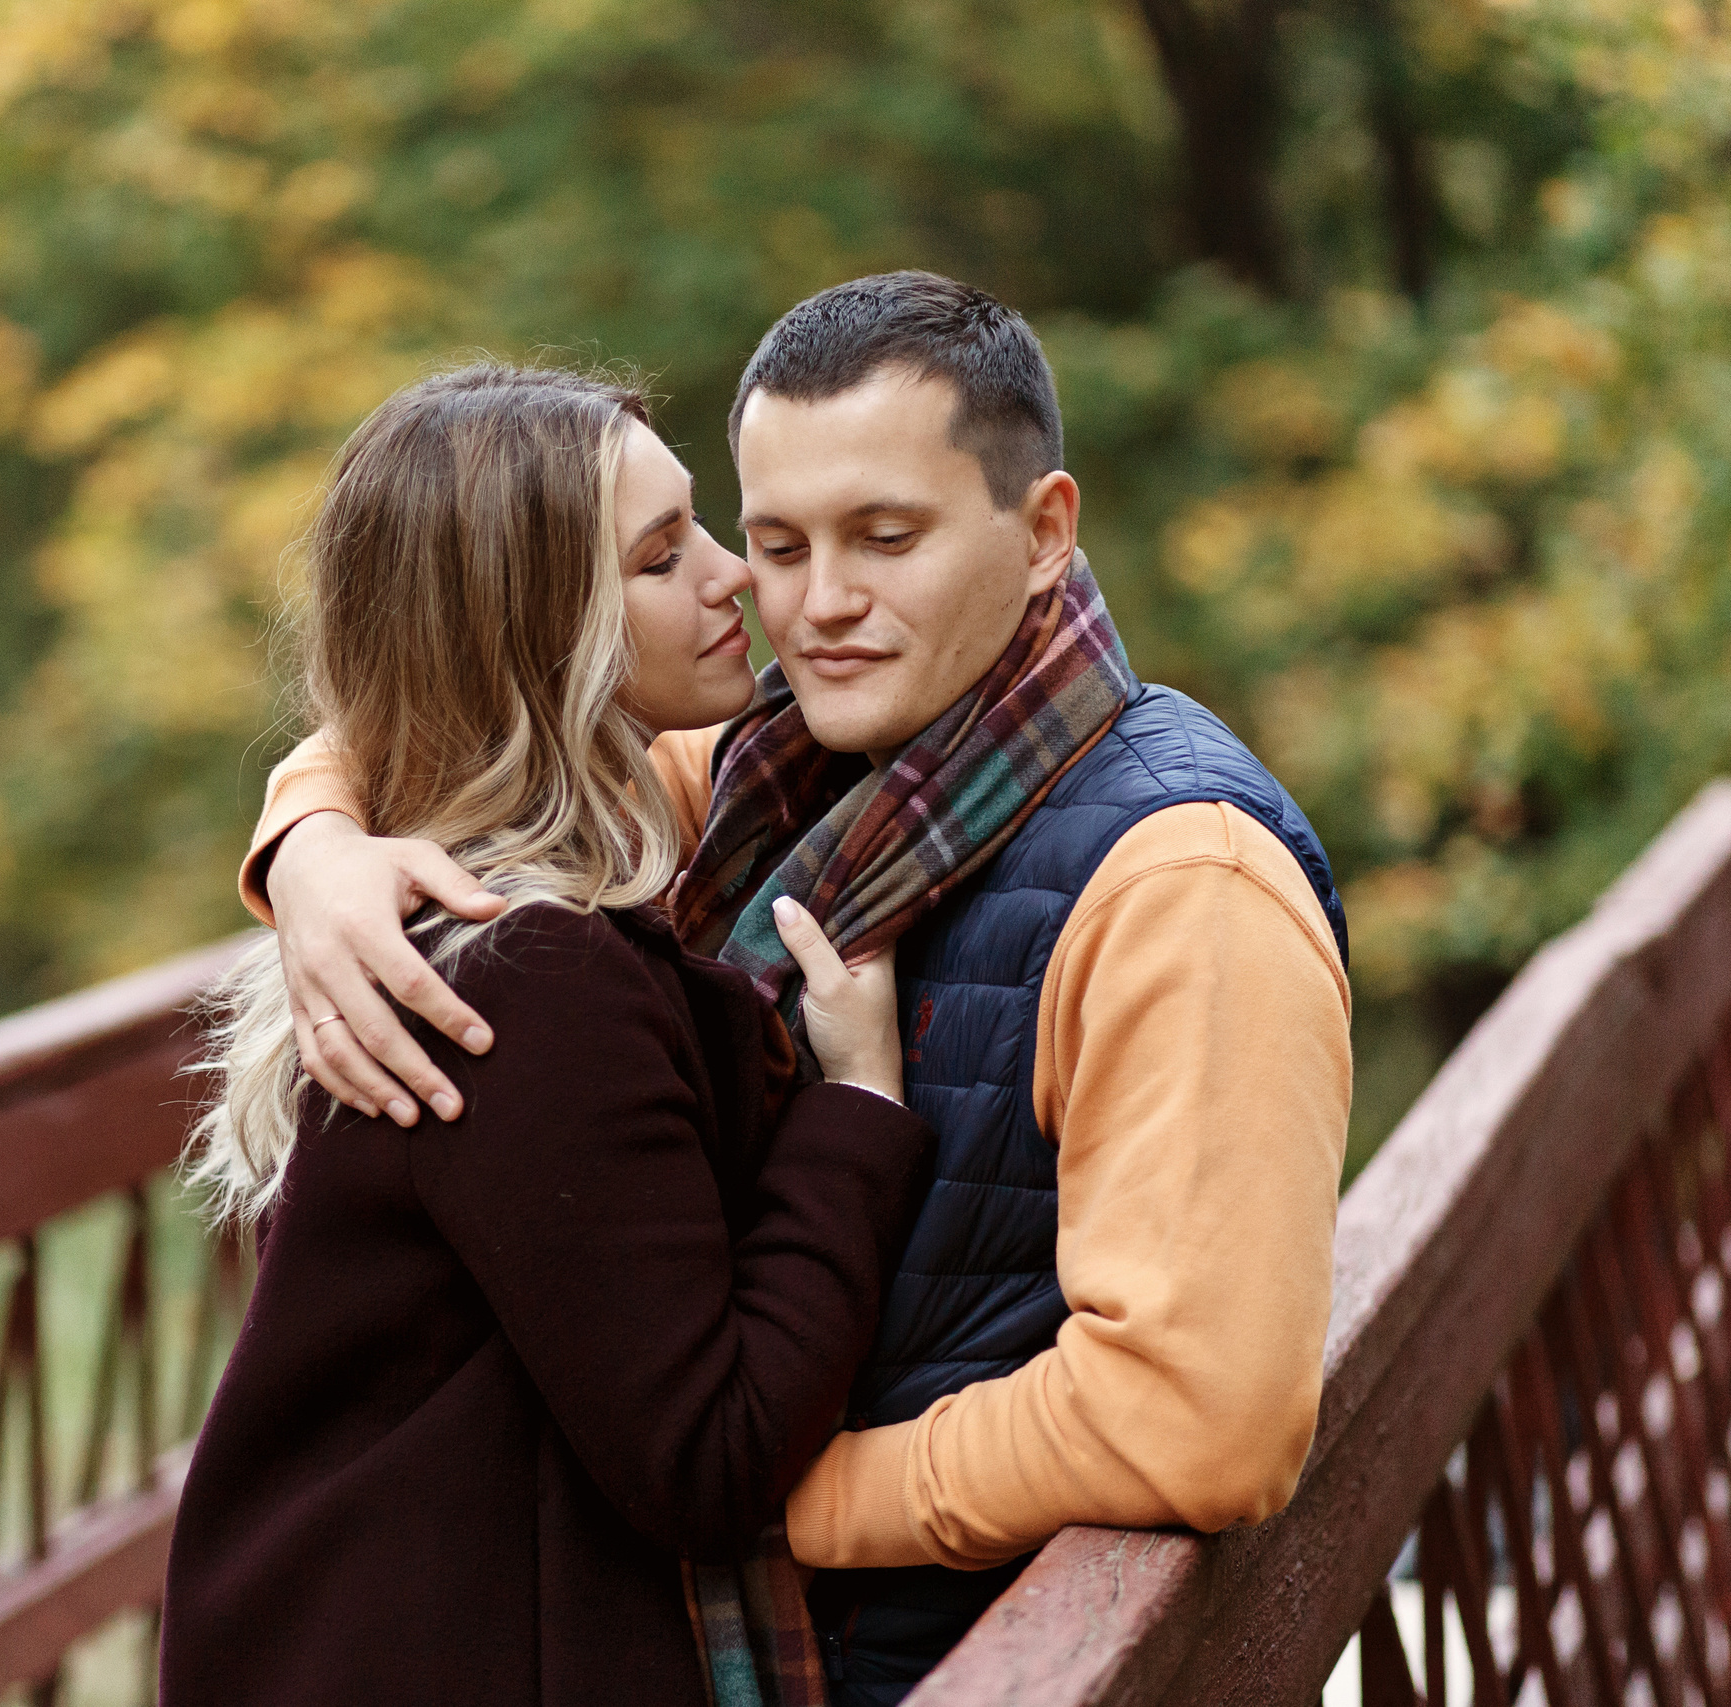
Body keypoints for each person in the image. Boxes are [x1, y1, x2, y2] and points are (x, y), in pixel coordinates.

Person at [238, 274, 1355, 1704]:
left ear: (1044, 532)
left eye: (886, 540)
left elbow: (1201, 1422)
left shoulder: (1181, 884)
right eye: (775, 543)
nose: (815, 606)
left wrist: (784, 1501)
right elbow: (460, 703)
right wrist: (319, 843)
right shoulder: (773, 786)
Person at [161, 363, 939, 1707]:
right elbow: (709, 1453)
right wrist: (858, 1107)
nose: (732, 578)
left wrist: (310, 837)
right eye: (658, 560)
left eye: (699, 527)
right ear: (543, 639)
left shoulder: (532, 897)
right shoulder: (527, 976)